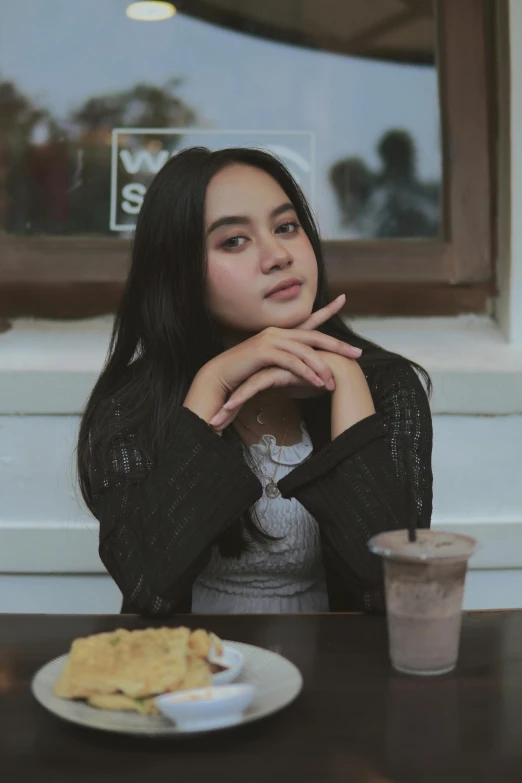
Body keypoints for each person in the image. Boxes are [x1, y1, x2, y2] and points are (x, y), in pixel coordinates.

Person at [77, 147, 433, 617]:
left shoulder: (387, 386)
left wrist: (346, 380)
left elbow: (389, 590)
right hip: (195, 677)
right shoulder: (130, 405)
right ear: (179, 272)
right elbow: (149, 589)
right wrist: (212, 382)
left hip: (340, 675)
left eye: (286, 227)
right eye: (234, 241)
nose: (278, 256)